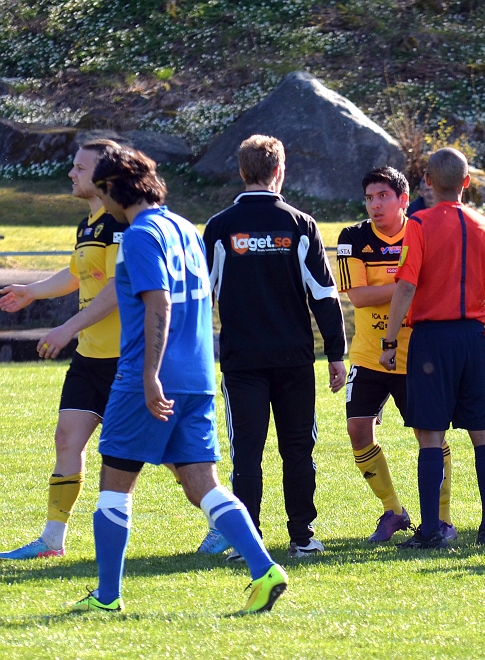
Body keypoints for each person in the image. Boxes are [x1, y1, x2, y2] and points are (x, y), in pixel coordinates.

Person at [72, 147, 286, 613]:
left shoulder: (139, 235)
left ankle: (107, 597)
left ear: (111, 188)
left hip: (149, 379)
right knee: (202, 484)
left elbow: (159, 303)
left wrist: (149, 374)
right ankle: (264, 570)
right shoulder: (185, 228)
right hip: (197, 378)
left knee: (114, 484)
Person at [0, 139, 193, 560]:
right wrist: (31, 292)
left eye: (79, 168)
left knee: (172, 454)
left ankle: (221, 524)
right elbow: (77, 273)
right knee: (67, 438)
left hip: (126, 358)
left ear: (104, 177)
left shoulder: (123, 225)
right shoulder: (89, 223)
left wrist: (66, 326)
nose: (71, 174)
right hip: (91, 357)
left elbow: (115, 289)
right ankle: (52, 538)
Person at [339, 166, 485, 542]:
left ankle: (436, 525)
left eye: (382, 196)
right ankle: (484, 524)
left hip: (424, 345)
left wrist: (393, 335)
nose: (375, 205)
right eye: (370, 198)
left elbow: (408, 287)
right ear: (467, 182)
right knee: (480, 431)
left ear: (422, 187)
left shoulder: (420, 225)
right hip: (469, 337)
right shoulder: (483, 224)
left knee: (432, 436)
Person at [200, 135, 346, 560]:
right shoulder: (300, 224)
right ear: (279, 171)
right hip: (294, 361)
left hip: (242, 362)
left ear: (242, 171)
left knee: (247, 450)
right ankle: (303, 537)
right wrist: (336, 353)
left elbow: (200, 298)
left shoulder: (220, 227)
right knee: (298, 448)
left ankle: (249, 540)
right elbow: (323, 293)